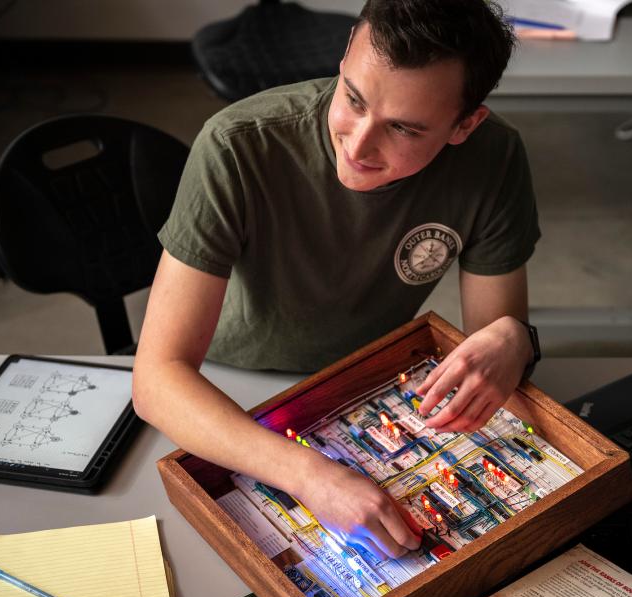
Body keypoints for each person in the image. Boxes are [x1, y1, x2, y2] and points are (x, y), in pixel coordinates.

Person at [133, 0, 540, 562]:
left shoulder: (495, 160)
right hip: (227, 388)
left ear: (465, 125)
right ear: (348, 48)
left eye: (403, 128)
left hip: (371, 380)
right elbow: (158, 379)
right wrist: (312, 477)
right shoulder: (237, 144)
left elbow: (492, 341)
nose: (359, 143)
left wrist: (514, 339)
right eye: (353, 97)